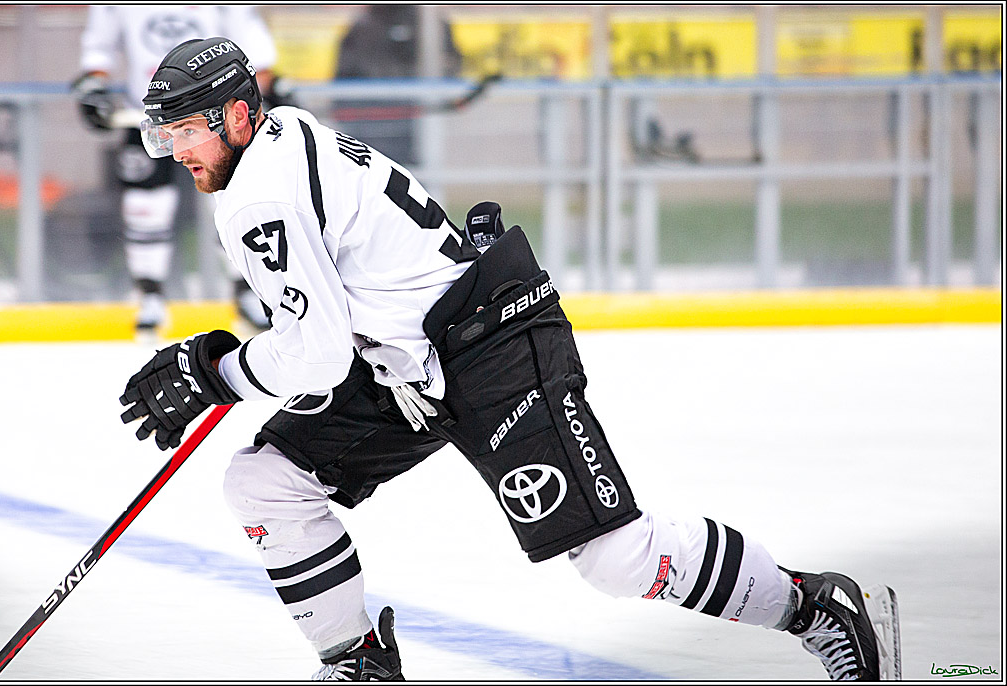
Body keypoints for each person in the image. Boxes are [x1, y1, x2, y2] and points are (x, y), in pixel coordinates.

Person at [118, 37, 901, 681]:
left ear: (237, 115)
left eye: (186, 129)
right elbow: (329, 319)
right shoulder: (281, 134)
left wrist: (217, 375)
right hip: (410, 362)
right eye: (165, 135)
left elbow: (316, 357)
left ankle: (815, 605)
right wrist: (228, 363)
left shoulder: (256, 195)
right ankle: (357, 660)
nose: (176, 150)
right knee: (267, 482)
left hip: (490, 349)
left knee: (614, 558)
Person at [73, 6, 284, 336]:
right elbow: (99, 46)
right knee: (146, 207)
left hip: (212, 119)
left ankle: (248, 291)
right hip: (146, 116)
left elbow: (250, 38)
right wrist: (94, 82)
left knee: (230, 201)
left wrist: (268, 82)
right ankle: (149, 295)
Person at [332, 5, 462, 165]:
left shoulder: (431, 24)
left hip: (412, 124)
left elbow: (451, 65)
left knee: (412, 173)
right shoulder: (364, 26)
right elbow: (346, 76)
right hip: (376, 123)